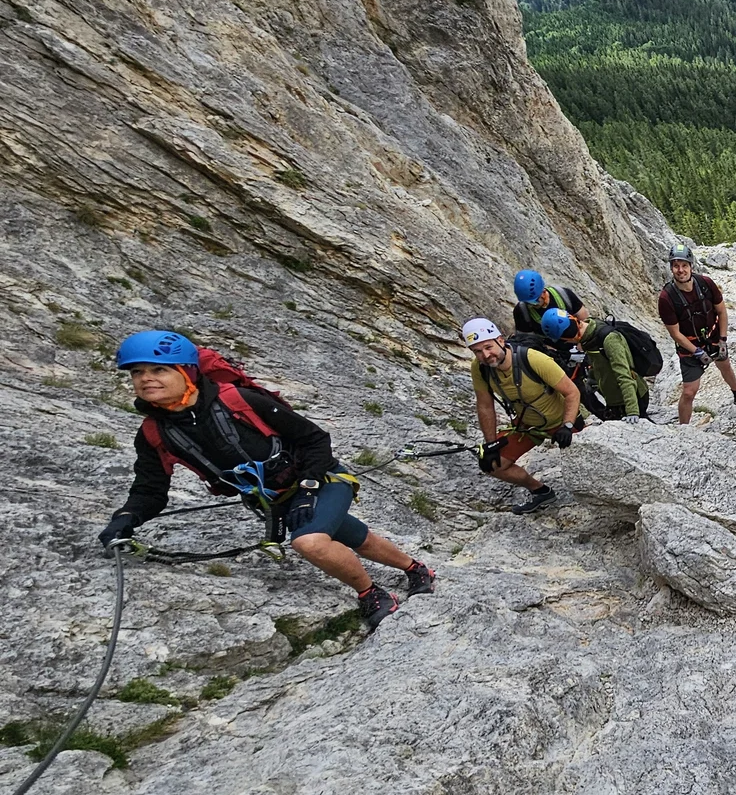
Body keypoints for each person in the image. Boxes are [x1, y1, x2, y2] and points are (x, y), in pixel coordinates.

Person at [98, 331, 433, 634]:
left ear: (186, 372)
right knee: (348, 534)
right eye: (137, 372)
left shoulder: (239, 401)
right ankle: (416, 569)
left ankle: (371, 593)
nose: (145, 379)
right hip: (273, 497)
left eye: (159, 370)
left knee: (310, 542)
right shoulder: (155, 433)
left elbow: (314, 439)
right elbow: (150, 489)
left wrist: (308, 488)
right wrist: (127, 518)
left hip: (323, 479)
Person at [465, 316, 579, 514]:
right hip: (528, 426)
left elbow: (572, 392)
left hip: (561, 423)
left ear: (500, 340)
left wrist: (567, 425)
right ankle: (541, 491)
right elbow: (485, 405)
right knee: (493, 464)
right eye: (478, 351)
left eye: (488, 347)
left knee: (589, 461)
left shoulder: (533, 359)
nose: (485, 355)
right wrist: (490, 443)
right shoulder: (480, 368)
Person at [657, 243, 736, 422]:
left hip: (713, 337)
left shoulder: (705, 283)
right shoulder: (666, 298)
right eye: (676, 266)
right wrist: (697, 352)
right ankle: (683, 430)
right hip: (689, 347)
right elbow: (676, 334)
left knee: (725, 365)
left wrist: (722, 339)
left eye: (684, 265)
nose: (680, 270)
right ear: (671, 268)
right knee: (689, 392)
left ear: (691, 266)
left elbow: (721, 311)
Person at [543, 308, 649, 422]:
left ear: (568, 338)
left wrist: (633, 411)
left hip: (633, 398)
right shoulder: (589, 336)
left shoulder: (609, 339)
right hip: (615, 399)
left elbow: (624, 374)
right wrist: (592, 380)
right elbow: (598, 363)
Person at [512, 269, 585, 337]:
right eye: (527, 302)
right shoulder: (522, 311)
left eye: (533, 301)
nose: (531, 305)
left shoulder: (564, 295)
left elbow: (584, 320)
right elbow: (525, 339)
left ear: (543, 292)